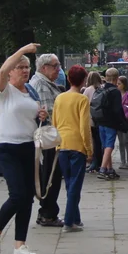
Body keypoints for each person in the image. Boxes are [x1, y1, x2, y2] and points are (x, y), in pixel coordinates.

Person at [0, 43, 46, 254]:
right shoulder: (3, 90)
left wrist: (41, 115)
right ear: (11, 70)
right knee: (17, 195)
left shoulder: (30, 90)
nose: (24, 70)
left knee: (28, 198)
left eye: (27, 67)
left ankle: (20, 244)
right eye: (20, 66)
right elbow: (2, 71)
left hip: (29, 147)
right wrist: (23, 50)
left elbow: (32, 115)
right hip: (8, 147)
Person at [52, 65, 95, 231]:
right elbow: (84, 127)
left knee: (70, 184)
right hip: (77, 146)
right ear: (84, 81)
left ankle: (75, 218)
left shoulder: (60, 98)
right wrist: (89, 149)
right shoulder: (82, 100)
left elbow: (54, 122)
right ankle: (69, 222)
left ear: (68, 79)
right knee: (75, 185)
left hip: (61, 144)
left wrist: (56, 143)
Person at [30, 53, 65, 227]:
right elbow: (49, 113)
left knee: (50, 174)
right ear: (44, 68)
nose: (58, 69)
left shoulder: (44, 82)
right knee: (51, 175)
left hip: (47, 137)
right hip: (48, 138)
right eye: (55, 66)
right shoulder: (42, 85)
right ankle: (47, 213)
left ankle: (48, 211)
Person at [93, 68, 127, 180]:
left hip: (100, 120)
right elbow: (117, 109)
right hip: (110, 122)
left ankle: (110, 169)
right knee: (110, 145)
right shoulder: (115, 91)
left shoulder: (100, 89)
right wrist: (123, 122)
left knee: (105, 146)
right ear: (117, 78)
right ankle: (103, 169)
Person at [83, 71, 103, 173]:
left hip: (91, 119)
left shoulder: (87, 90)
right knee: (100, 141)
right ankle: (101, 162)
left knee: (93, 142)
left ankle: (94, 163)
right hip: (101, 119)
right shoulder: (102, 88)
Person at [115, 76, 128, 170]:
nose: (117, 85)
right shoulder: (116, 94)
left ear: (124, 84)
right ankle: (123, 161)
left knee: (126, 140)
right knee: (120, 142)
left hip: (126, 120)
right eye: (117, 84)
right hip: (118, 120)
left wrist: (127, 116)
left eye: (119, 84)